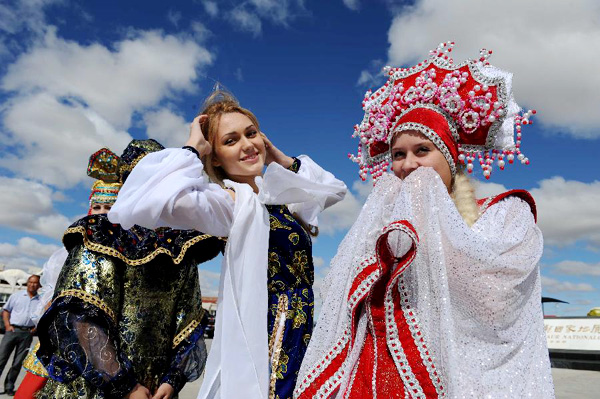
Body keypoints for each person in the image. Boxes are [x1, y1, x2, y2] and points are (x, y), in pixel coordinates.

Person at [295, 42, 554, 398]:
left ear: (450, 159)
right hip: (375, 369)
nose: (407, 165)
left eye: (422, 151)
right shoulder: (380, 224)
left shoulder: (502, 215)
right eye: (398, 154)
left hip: (451, 376)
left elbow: (499, 297)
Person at [108, 91, 347, 399]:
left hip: (301, 328)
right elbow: (149, 201)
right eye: (231, 141)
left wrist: (280, 157)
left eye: (252, 134)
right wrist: (194, 147)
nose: (247, 145)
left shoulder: (279, 196)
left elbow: (334, 190)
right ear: (216, 157)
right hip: (266, 331)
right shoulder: (229, 201)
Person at [36, 140, 224, 399]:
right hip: (99, 388)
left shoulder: (182, 248)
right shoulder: (101, 235)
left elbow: (189, 323)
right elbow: (81, 316)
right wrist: (124, 385)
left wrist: (172, 380)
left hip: (156, 389)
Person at [15, 148, 123, 399]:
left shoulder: (127, 254)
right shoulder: (66, 253)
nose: (102, 212)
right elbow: (50, 292)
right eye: (97, 206)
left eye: (109, 207)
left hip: (105, 345)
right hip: (59, 338)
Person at [0, 275, 41, 395]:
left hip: (27, 334)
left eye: (35, 283)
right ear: (27, 283)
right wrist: (7, 325)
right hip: (12, 331)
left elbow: (42, 316)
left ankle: (9, 386)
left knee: (18, 362)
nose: (32, 285)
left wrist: (35, 328)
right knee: (1, 359)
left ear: (39, 285)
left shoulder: (40, 301)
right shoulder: (16, 296)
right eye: (30, 282)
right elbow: (6, 310)